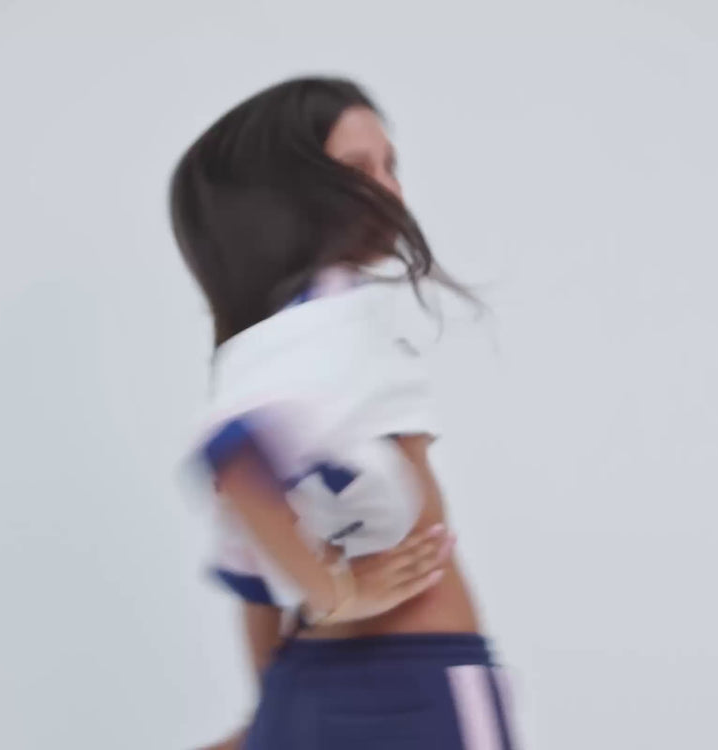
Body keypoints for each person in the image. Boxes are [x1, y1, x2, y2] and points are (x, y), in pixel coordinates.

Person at [172, 76, 519, 749]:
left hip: (303, 686)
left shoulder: (266, 345)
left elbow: (257, 576)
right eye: (359, 170)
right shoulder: (334, 319)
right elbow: (235, 451)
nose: (390, 190)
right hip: (415, 691)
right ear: (284, 197)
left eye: (391, 166)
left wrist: (273, 717)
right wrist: (340, 594)